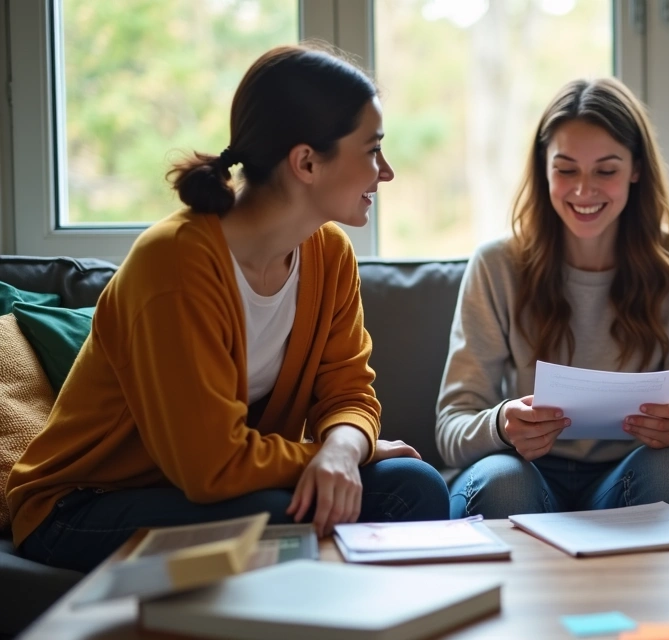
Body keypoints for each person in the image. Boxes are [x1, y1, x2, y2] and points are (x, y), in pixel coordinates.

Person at [7, 44, 450, 572]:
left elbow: (349, 389)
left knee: (416, 488)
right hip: (83, 504)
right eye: (372, 150)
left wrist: (344, 447)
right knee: (274, 516)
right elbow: (211, 467)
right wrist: (337, 454)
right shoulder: (173, 262)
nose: (387, 172)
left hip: (223, 487)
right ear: (306, 162)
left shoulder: (330, 255)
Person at [437, 77, 669, 519]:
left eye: (606, 170)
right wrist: (500, 424)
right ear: (544, 169)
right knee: (503, 483)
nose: (583, 190)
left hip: (632, 472)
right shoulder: (496, 265)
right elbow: (452, 424)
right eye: (565, 169)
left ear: (636, 170)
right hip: (525, 468)